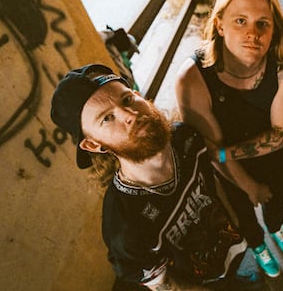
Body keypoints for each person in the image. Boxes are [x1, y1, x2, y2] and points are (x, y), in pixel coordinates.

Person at [49, 64, 262, 291]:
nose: (130, 116)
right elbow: (163, 284)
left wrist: (238, 226)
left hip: (231, 250)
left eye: (127, 100)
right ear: (93, 144)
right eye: (107, 118)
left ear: (138, 96)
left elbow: (212, 184)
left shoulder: (186, 138)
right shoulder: (124, 224)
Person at [175, 0, 283, 279]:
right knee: (242, 218)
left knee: (275, 206)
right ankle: (258, 245)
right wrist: (246, 184)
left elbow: (280, 136)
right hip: (225, 175)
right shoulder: (193, 78)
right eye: (240, 20)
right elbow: (209, 148)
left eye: (262, 23)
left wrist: (226, 155)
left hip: (269, 162)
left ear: (273, 30)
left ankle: (276, 228)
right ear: (219, 24)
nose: (252, 33)